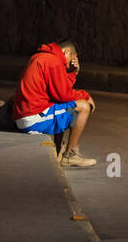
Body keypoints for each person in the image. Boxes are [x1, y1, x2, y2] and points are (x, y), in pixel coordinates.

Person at [9, 40, 97, 168]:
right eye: (71, 59)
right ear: (66, 52)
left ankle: (58, 151)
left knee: (60, 106)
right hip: (32, 118)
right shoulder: (53, 62)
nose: (68, 64)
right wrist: (86, 96)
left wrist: (72, 74)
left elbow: (59, 92)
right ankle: (69, 156)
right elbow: (63, 95)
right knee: (83, 107)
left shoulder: (40, 57)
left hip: (24, 116)